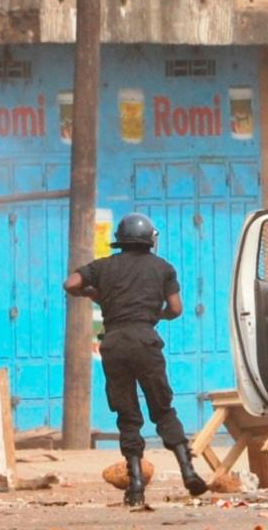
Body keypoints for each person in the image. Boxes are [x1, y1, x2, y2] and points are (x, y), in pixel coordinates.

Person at [62, 213, 207, 506]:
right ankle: (188, 469)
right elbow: (176, 308)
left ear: (121, 238)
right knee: (163, 410)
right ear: (149, 239)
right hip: (145, 341)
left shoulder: (103, 266)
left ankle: (137, 485)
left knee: (128, 416)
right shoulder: (163, 268)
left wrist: (95, 294)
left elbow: (70, 283)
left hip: (114, 344)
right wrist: (155, 314)